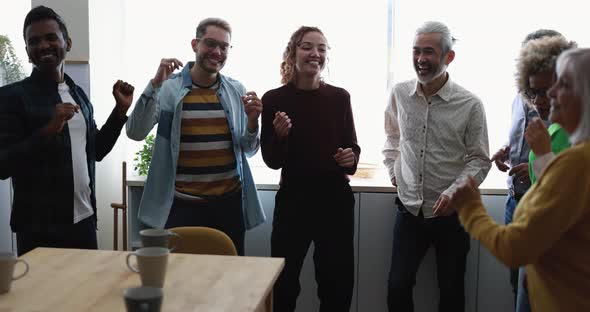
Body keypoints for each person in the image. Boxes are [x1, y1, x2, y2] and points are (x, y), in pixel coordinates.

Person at [451, 48, 590, 312]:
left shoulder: (577, 163)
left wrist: (471, 209)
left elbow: (514, 248)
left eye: (563, 84)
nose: (549, 94)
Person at [0, 6, 134, 256]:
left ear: (67, 43)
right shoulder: (12, 97)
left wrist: (119, 112)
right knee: (42, 296)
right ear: (28, 52)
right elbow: (4, 165)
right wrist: (48, 130)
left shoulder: (78, 95)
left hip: (83, 221)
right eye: (34, 41)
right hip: (38, 229)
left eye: (51, 37)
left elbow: (97, 150)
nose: (43, 46)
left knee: (87, 294)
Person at [126, 17, 264, 256]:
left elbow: (249, 150)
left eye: (224, 47)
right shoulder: (169, 88)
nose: (217, 52)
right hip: (182, 207)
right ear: (195, 44)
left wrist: (253, 122)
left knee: (229, 280)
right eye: (211, 44)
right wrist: (155, 84)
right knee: (181, 281)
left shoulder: (236, 90)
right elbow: (135, 132)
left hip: (228, 206)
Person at [382, 21, 490, 312]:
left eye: (428, 52)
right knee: (397, 287)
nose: (420, 59)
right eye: (416, 51)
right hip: (409, 211)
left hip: (453, 217)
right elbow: (392, 139)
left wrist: (455, 192)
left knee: (452, 291)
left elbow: (480, 159)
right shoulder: (400, 94)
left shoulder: (470, 104)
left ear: (448, 57)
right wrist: (394, 172)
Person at [261, 26, 360, 311]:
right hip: (293, 200)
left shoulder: (340, 97)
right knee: (284, 282)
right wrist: (279, 136)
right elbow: (271, 160)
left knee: (336, 284)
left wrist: (349, 158)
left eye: (321, 48)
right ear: (293, 53)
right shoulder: (274, 99)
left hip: (335, 201)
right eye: (307, 47)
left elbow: (352, 147)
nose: (315, 53)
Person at [489, 29, 562, 302]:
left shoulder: (564, 105)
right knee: (516, 282)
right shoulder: (518, 98)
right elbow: (523, 141)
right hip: (514, 201)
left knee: (538, 287)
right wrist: (507, 152)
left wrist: (537, 170)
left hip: (544, 205)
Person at [511, 34, 576, 312]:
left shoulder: (575, 134)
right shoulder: (553, 129)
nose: (539, 101)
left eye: (546, 91)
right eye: (534, 92)